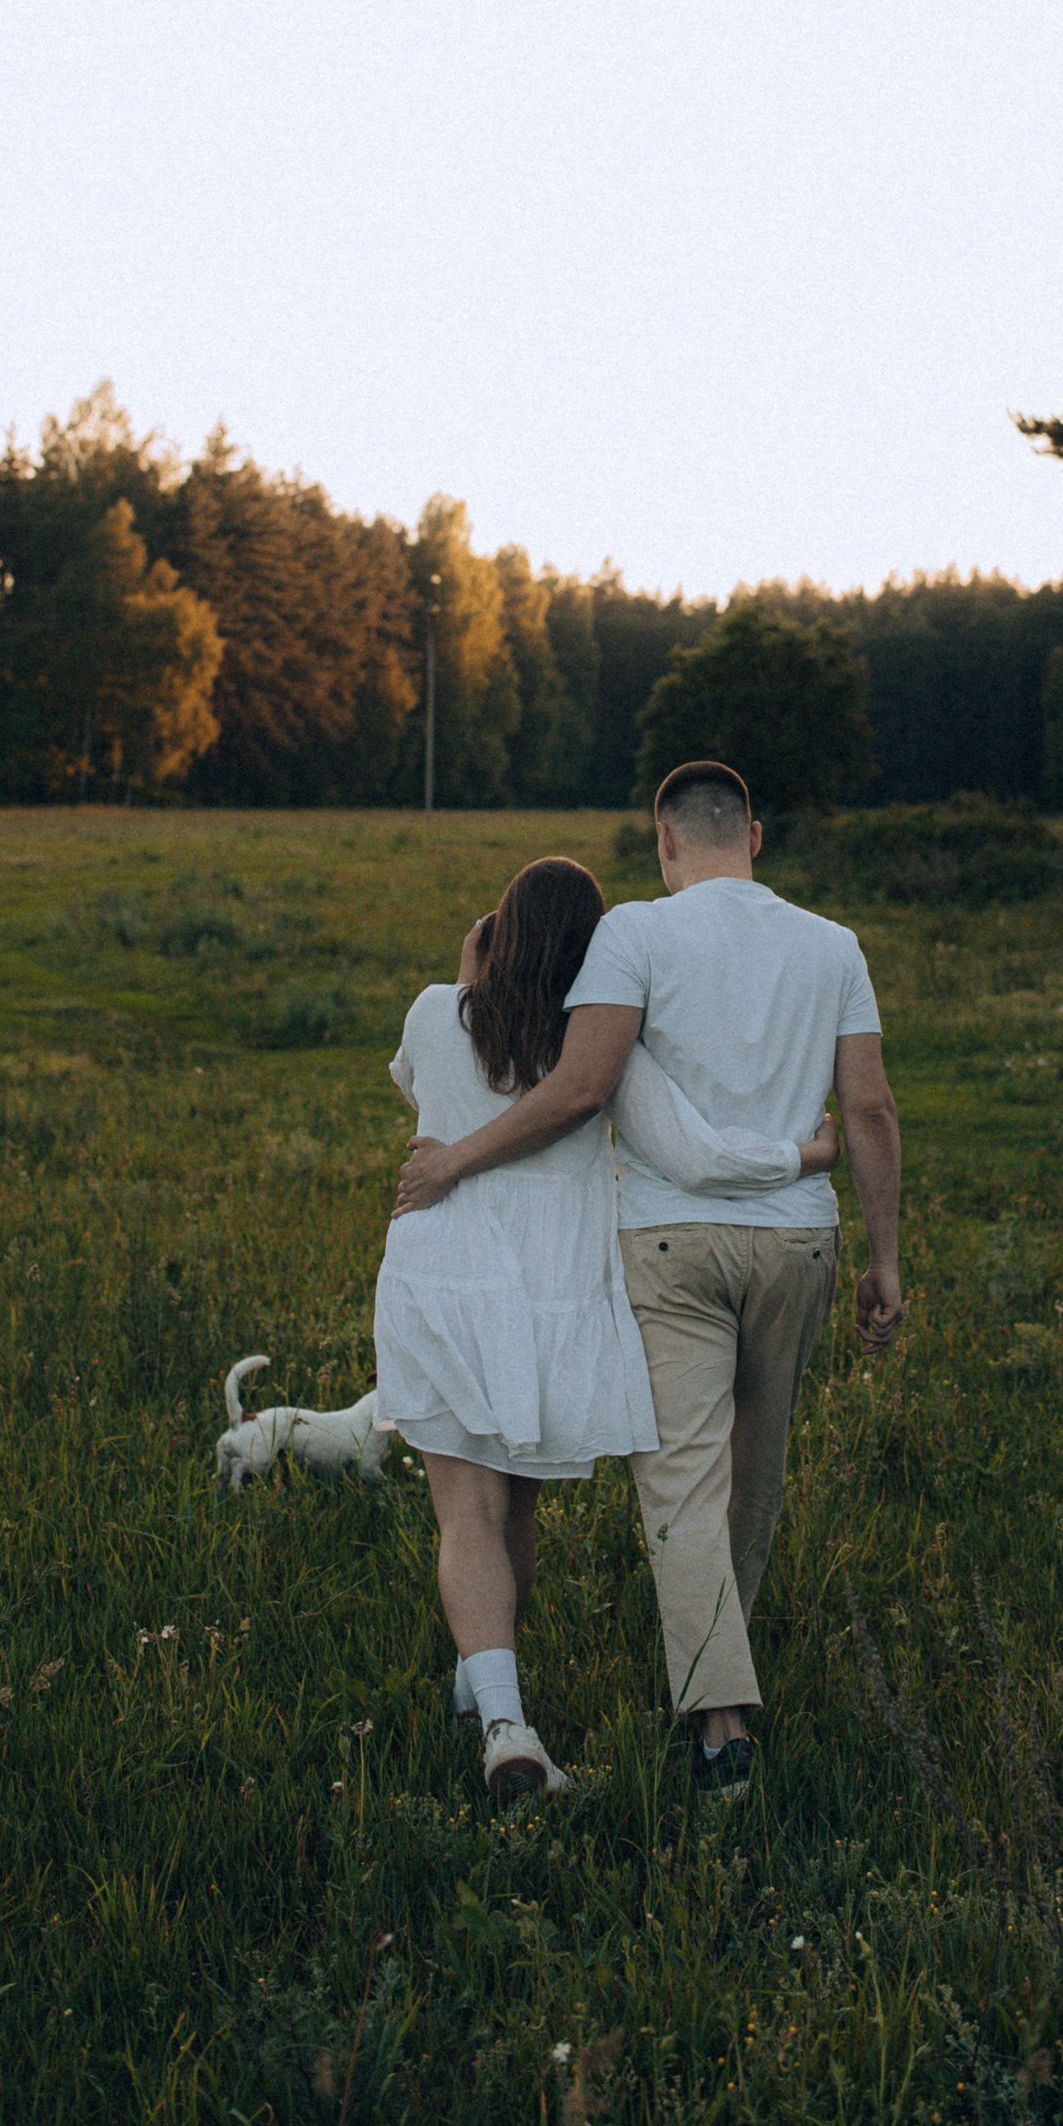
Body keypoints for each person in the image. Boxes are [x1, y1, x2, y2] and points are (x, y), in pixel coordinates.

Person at [394, 760, 902, 1800]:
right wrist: (868, 1234)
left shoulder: (621, 940)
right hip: (778, 1247)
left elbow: (568, 1085)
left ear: (664, 840)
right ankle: (715, 1679)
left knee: (662, 1483)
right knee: (743, 1482)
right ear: (752, 834)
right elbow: (870, 1111)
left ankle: (644, 1713)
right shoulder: (832, 945)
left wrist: (451, 1142)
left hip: (629, 1247)